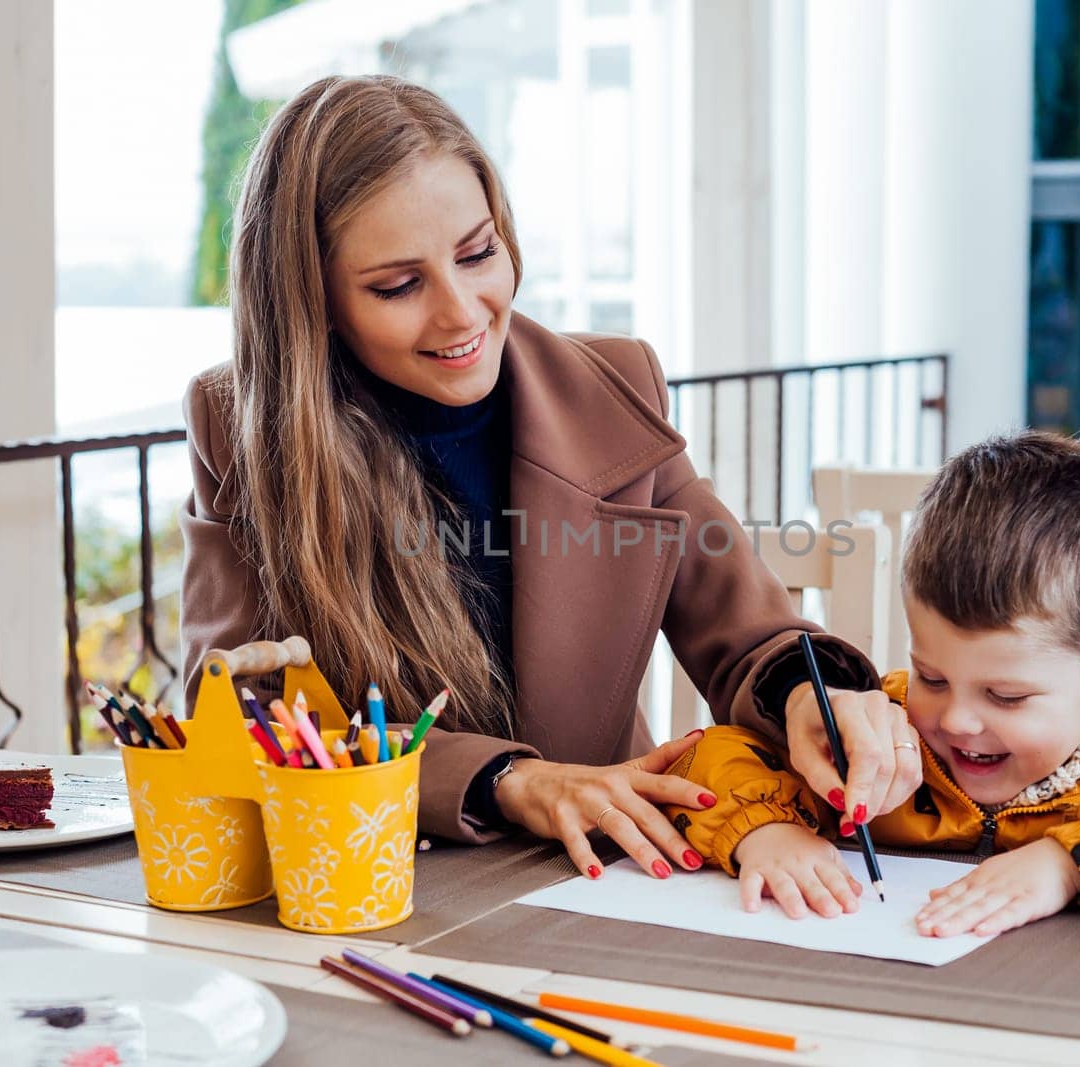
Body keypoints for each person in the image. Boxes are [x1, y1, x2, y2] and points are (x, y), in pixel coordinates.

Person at [178, 74, 921, 880]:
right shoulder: (243, 427)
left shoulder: (616, 389)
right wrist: (505, 780)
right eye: (398, 285)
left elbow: (750, 638)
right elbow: (239, 713)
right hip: (374, 882)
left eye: (477, 253)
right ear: (311, 301)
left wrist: (813, 695)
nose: (463, 311)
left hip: (623, 872)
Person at [664, 431, 1080, 933]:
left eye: (1007, 696)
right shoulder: (886, 734)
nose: (955, 719)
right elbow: (707, 757)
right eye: (932, 674)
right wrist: (765, 832)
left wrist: (1069, 862)